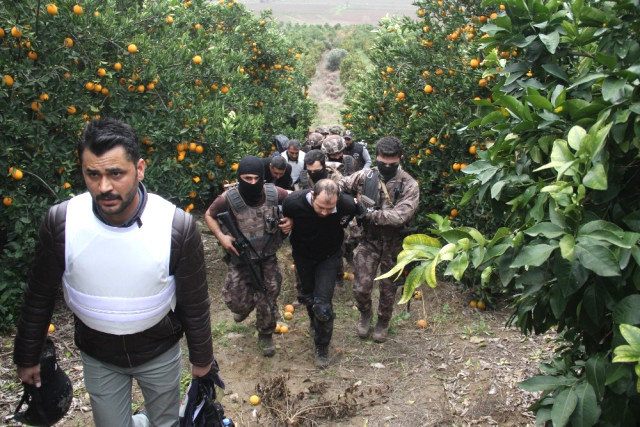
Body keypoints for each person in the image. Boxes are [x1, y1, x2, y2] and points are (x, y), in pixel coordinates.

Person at [13, 118, 216, 427]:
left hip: (159, 351)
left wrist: (202, 361)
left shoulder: (175, 227)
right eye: (92, 174)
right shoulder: (62, 223)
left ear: (140, 168)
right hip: (99, 354)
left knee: (166, 422)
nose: (104, 186)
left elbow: (194, 303)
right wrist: (28, 356)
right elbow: (38, 296)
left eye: (116, 173)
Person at [204, 156, 292, 357]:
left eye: (256, 178)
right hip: (241, 258)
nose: (252, 183)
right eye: (247, 178)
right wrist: (222, 237)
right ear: (239, 177)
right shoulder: (228, 198)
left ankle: (266, 333)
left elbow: (292, 201)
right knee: (236, 302)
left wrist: (291, 220)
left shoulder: (273, 193)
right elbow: (209, 215)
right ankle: (245, 308)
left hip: (267, 256)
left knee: (269, 294)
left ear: (262, 177)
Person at [339, 136, 419, 343]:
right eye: (383, 162)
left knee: (388, 289)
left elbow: (401, 216)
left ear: (400, 158)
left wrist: (369, 214)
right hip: (368, 240)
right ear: (376, 157)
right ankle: (365, 314)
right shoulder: (365, 176)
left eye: (392, 164)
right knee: (361, 287)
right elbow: (340, 186)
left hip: (394, 245)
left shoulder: (409, 184)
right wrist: (348, 204)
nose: (386, 167)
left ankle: (383, 321)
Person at [282, 179, 360, 368]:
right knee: (308, 295)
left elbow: (349, 217)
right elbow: (286, 217)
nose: (324, 212)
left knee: (323, 304)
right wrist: (289, 222)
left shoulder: (347, 204)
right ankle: (314, 322)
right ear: (312, 195)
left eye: (329, 208)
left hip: (329, 256)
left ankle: (322, 346)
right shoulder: (293, 202)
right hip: (303, 255)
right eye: (320, 207)